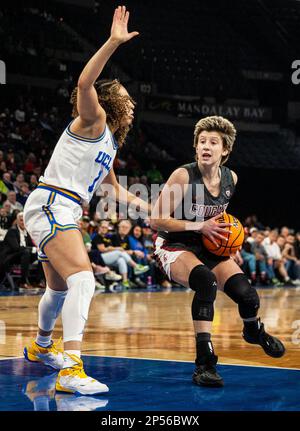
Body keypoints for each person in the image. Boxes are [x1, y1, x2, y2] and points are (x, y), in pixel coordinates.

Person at [23, 6, 149, 395]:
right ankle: (72, 370)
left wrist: (154, 209)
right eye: (124, 98)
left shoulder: (108, 142)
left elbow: (112, 189)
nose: (131, 104)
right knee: (83, 280)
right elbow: (83, 82)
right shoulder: (92, 120)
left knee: (59, 290)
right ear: (110, 102)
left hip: (57, 208)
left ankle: (41, 347)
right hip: (52, 204)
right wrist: (113, 42)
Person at [151, 115, 285, 388]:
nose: (206, 146)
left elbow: (219, 216)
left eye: (213, 142)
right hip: (174, 244)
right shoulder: (183, 175)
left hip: (206, 243)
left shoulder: (230, 178)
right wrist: (200, 226)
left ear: (225, 150)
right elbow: (156, 220)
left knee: (246, 294)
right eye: (201, 142)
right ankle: (205, 363)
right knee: (206, 282)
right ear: (196, 147)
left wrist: (228, 244)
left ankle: (252, 330)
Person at [0, 212, 43, 290]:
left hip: (23, 256)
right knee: (26, 252)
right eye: (21, 220)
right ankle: (23, 282)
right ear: (17, 221)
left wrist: (37, 249)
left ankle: (39, 281)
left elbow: (31, 245)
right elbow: (16, 248)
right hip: (10, 257)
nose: (23, 222)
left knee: (41, 253)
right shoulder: (12, 231)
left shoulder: (27, 232)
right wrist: (32, 249)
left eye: (24, 220)